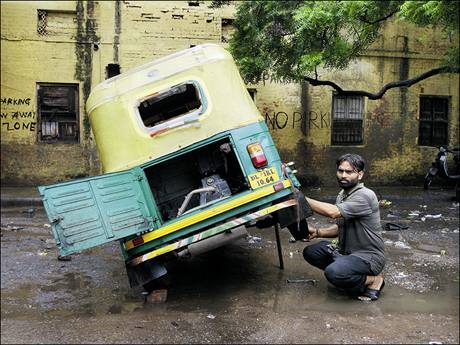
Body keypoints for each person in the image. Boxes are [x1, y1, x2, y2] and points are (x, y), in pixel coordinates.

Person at [303, 153, 385, 301]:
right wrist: (318, 232)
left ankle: (374, 280)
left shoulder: (365, 195)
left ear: (360, 175)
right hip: (346, 252)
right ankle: (347, 274)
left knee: (334, 272)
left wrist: (300, 198)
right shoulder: (343, 194)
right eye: (340, 171)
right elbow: (342, 226)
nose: (343, 175)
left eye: (349, 172)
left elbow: (333, 212)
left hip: (368, 257)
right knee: (311, 252)